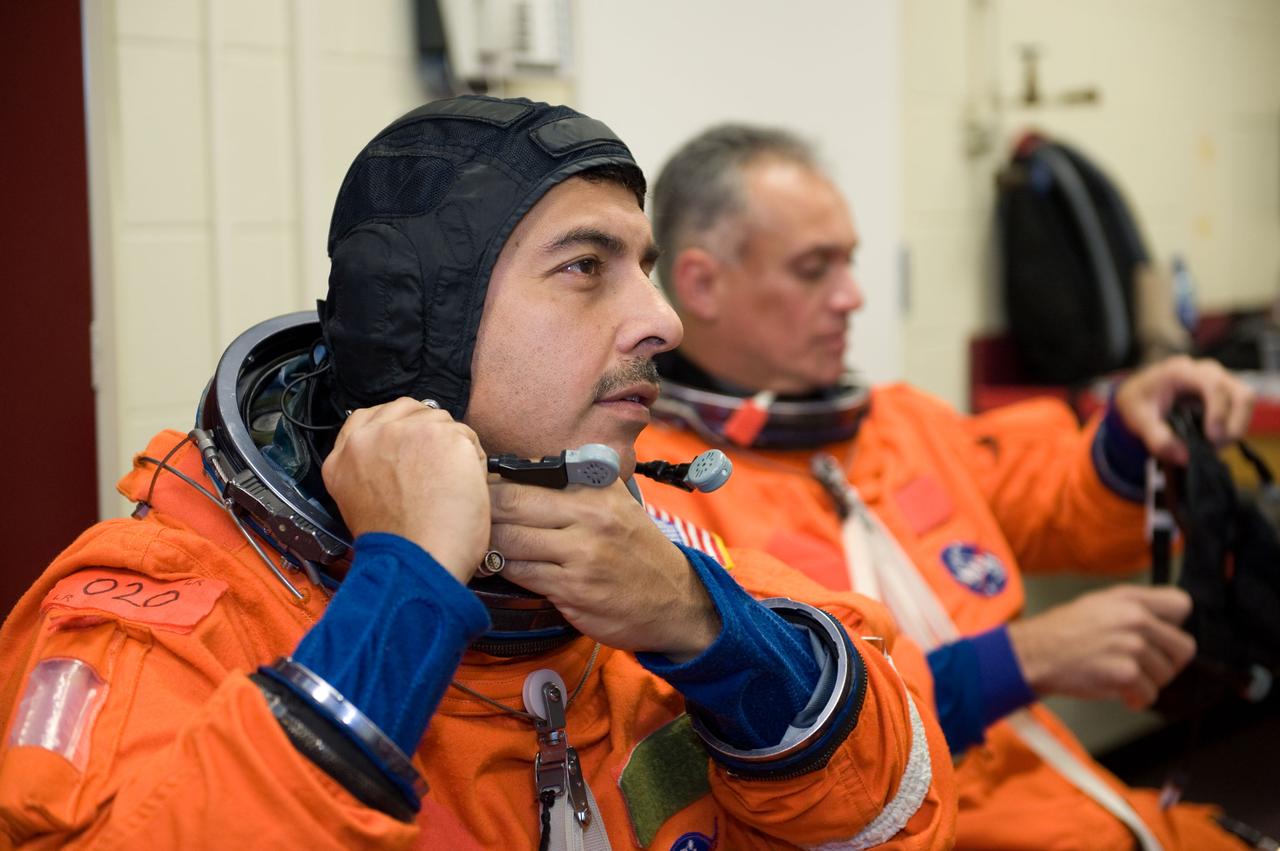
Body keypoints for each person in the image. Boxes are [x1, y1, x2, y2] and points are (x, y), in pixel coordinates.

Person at [0, 98, 956, 850]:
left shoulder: (654, 566)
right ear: (421, 326)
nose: (662, 319)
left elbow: (895, 818)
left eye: (647, 267)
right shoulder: (158, 620)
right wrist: (402, 589)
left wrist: (713, 634)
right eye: (588, 266)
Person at [635, 123, 1261, 851]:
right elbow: (736, 745)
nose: (853, 297)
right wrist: (1017, 661)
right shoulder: (660, 495)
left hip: (1084, 812)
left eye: (851, 262)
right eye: (814, 269)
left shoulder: (902, 423)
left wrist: (1130, 429)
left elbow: (1058, 501)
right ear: (701, 283)